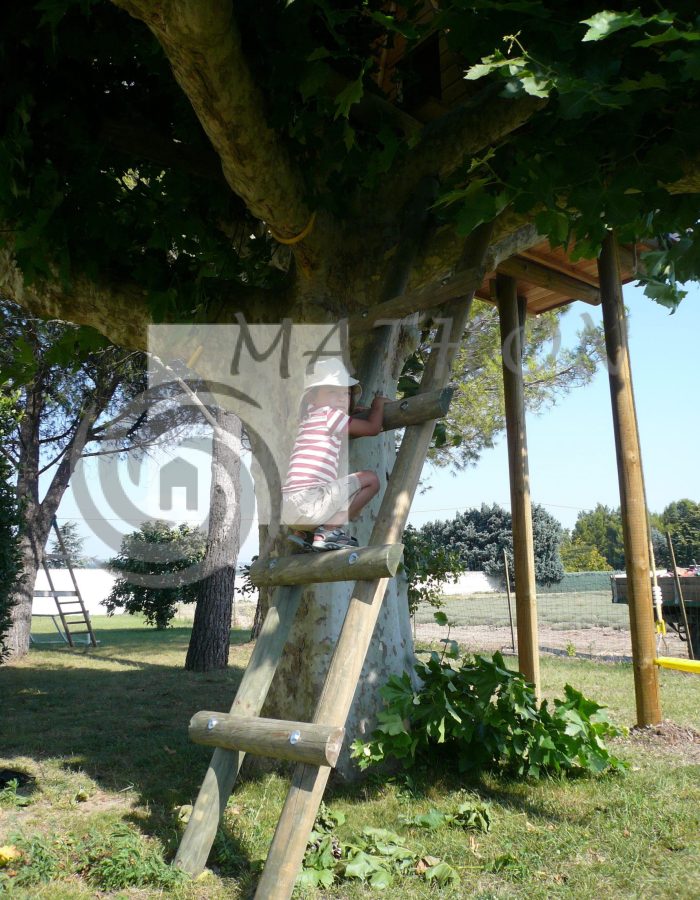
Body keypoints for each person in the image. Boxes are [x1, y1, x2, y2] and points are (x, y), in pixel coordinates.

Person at [281, 357, 386, 551]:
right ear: (312, 397)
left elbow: (345, 420)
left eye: (345, 394)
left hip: (288, 509)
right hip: (310, 502)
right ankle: (329, 531)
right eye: (332, 392)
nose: (340, 398)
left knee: (331, 485)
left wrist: (352, 414)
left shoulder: (310, 417)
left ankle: (303, 534)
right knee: (371, 480)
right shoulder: (330, 415)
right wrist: (378, 405)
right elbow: (373, 428)